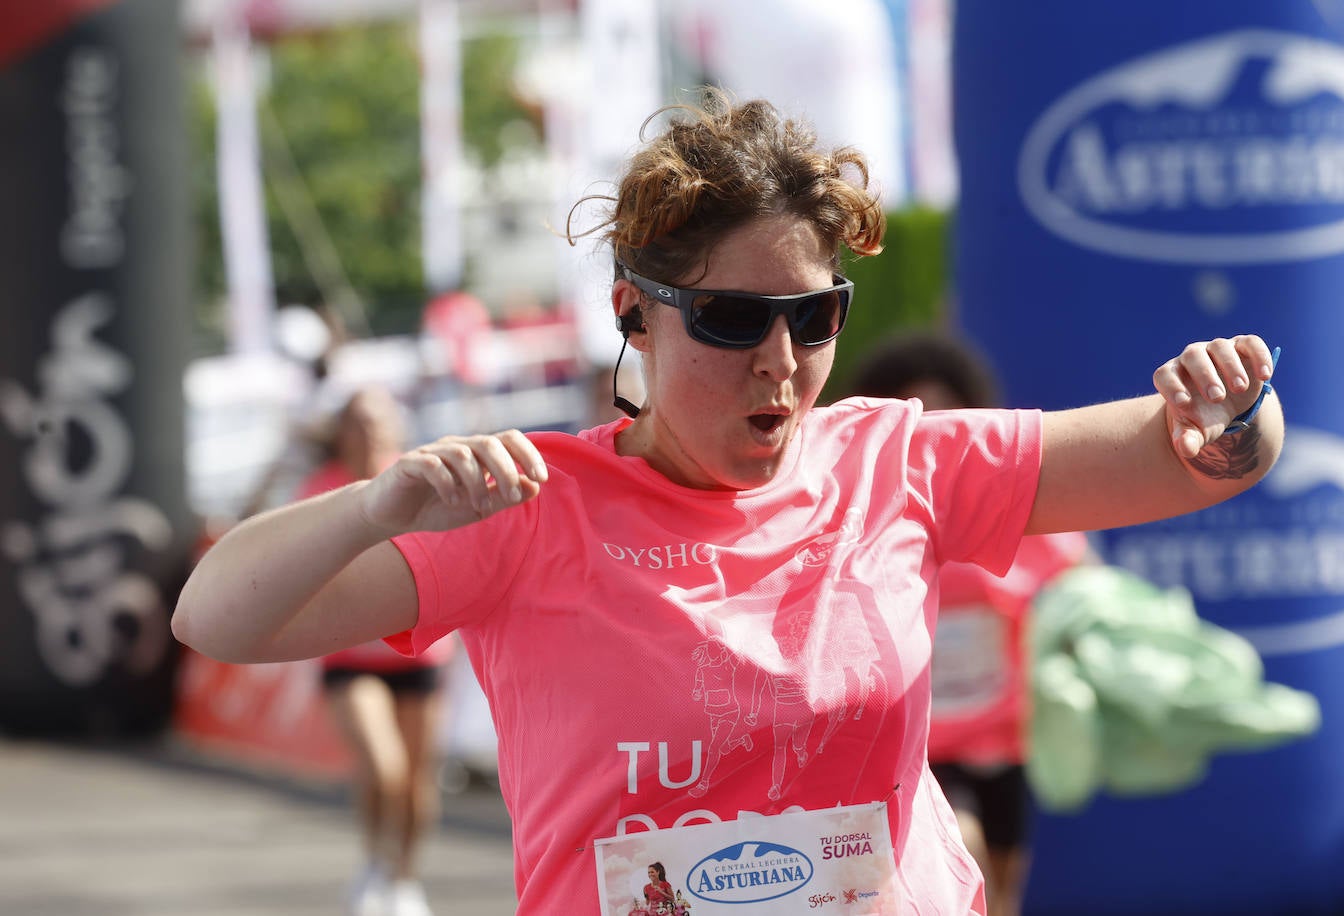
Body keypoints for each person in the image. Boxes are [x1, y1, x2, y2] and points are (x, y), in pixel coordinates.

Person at [172, 89, 1284, 915]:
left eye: (814, 318)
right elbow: (214, 617)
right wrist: (378, 505)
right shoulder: (530, 502)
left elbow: (1195, 455)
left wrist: (1234, 407)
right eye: (730, 321)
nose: (780, 362)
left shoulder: (895, 459)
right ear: (635, 313)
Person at [848, 331, 1088, 916]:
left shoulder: (1006, 508)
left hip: (1003, 739)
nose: (937, 425)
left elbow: (1075, 579)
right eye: (918, 414)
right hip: (918, 748)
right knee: (965, 854)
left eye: (948, 410)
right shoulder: (870, 518)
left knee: (1001, 889)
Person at [299, 387, 458, 916]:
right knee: (382, 766)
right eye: (358, 424)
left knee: (416, 780)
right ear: (342, 433)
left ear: (396, 429)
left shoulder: (420, 479)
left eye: (378, 423)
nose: (369, 433)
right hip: (349, 659)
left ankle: (405, 878)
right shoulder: (322, 489)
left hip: (420, 656)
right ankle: (373, 860)